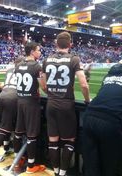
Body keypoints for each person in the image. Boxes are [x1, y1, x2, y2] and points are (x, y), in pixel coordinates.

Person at [82, 58, 122, 176]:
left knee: (91, 160)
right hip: (110, 121)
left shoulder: (107, 76)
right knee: (109, 161)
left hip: (89, 116)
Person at [42, 32, 90, 176]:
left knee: (53, 140)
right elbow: (84, 84)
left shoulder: (46, 59)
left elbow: (43, 86)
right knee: (68, 140)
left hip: (50, 104)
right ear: (70, 44)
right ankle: (62, 173)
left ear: (56, 44)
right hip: (66, 105)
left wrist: (52, 93)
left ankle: (55, 171)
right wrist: (87, 100)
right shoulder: (74, 59)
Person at [13, 41, 46, 174]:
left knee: (18, 132)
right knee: (32, 134)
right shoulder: (37, 66)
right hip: (31, 103)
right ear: (32, 51)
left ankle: (17, 161)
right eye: (38, 50)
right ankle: (31, 166)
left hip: (20, 101)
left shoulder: (18, 65)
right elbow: (44, 86)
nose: (40, 52)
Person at [0, 58, 22, 165]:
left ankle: (7, 147)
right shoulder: (23, 70)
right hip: (12, 98)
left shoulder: (9, 70)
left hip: (1, 96)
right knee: (6, 128)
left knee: (6, 124)